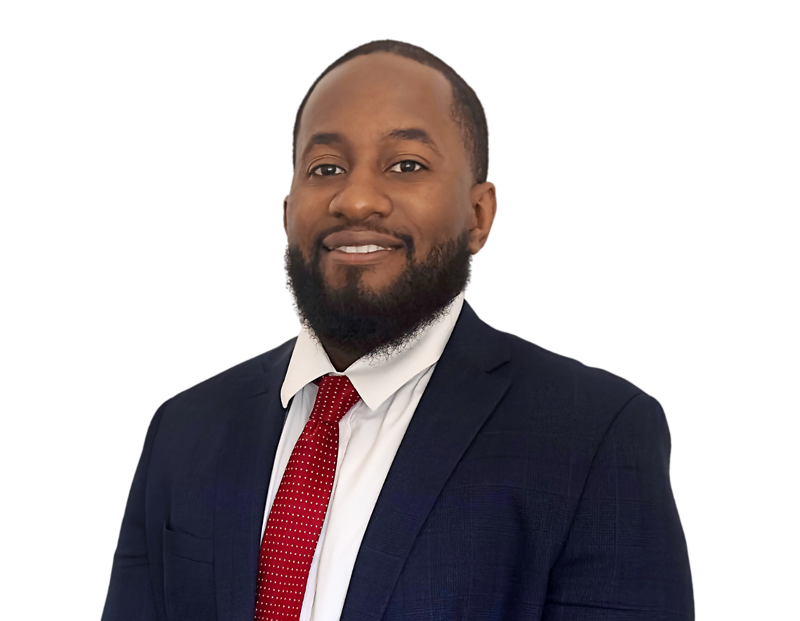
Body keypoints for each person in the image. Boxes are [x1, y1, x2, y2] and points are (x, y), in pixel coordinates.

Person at [101, 39, 695, 620]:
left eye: (406, 165)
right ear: (286, 213)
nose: (356, 200)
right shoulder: (183, 426)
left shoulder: (594, 433)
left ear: (480, 216)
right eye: (326, 167)